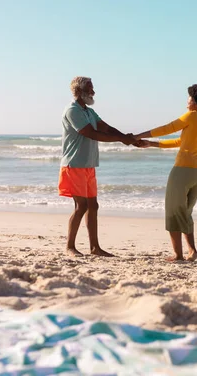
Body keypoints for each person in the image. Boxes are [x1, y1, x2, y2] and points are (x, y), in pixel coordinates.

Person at [58, 76, 137, 257]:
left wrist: (126, 137)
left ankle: (95, 248)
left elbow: (105, 128)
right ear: (79, 91)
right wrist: (121, 139)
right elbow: (91, 133)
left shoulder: (88, 111)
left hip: (88, 164)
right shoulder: (72, 110)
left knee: (93, 205)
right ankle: (70, 246)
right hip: (74, 164)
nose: (93, 91)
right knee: (81, 205)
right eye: (90, 88)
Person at [135, 84, 197, 262]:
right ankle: (192, 251)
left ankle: (178, 254)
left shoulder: (192, 116)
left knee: (172, 211)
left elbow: (168, 128)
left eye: (190, 98)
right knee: (185, 212)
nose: (187, 102)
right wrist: (151, 144)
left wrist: (138, 136)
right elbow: (180, 141)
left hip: (183, 170)